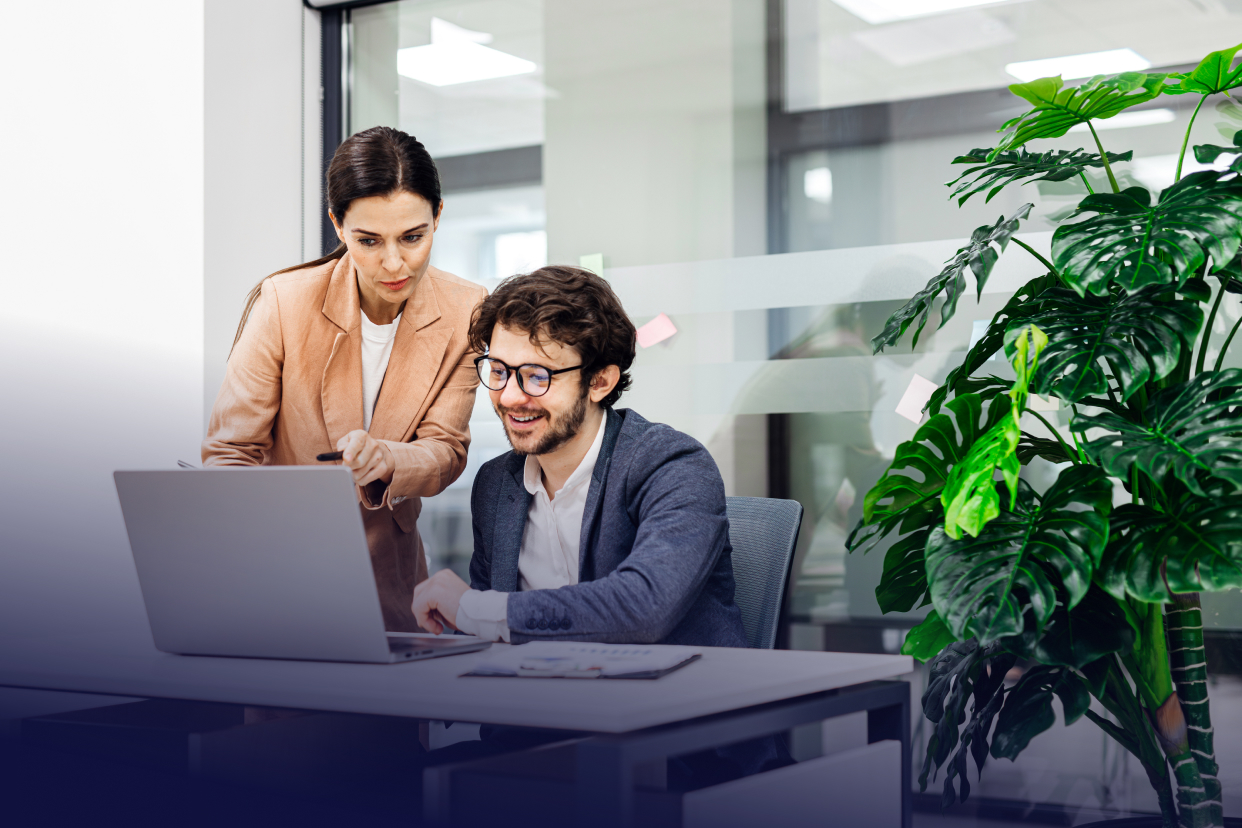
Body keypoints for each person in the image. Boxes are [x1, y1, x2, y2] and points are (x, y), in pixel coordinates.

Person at [203, 126, 487, 632]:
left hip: (393, 577)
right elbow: (229, 453)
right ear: (337, 225)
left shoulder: (466, 309)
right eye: (369, 241)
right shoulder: (285, 302)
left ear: (438, 217)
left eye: (413, 237)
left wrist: (388, 458)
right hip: (282, 572)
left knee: (391, 707)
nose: (394, 263)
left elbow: (446, 450)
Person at [411, 264, 748, 644]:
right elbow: (492, 640)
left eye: (538, 375)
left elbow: (643, 609)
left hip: (678, 695)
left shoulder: (673, 466)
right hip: (549, 695)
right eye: (500, 371)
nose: (508, 396)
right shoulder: (496, 484)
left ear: (600, 381)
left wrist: (474, 609)